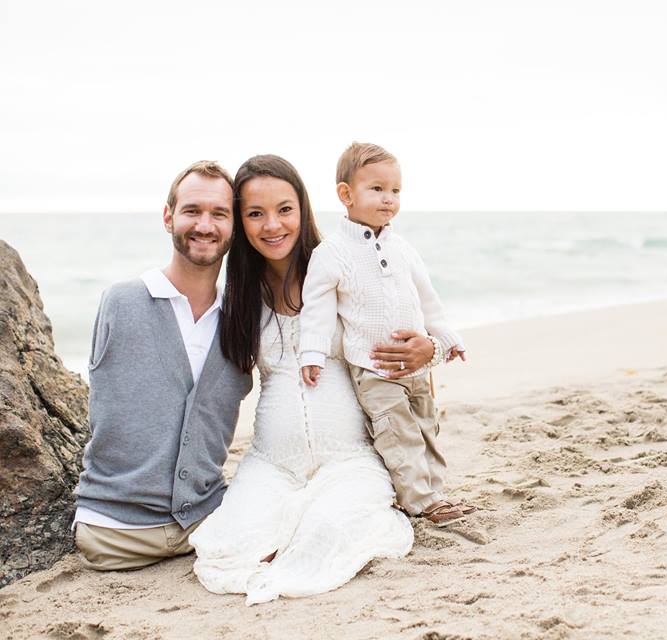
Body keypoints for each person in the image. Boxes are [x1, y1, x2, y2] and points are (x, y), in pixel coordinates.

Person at [189, 154, 435, 605]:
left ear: (303, 208)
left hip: (350, 458)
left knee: (332, 532)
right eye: (255, 214)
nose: (272, 225)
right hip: (272, 463)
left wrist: (431, 348)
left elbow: (414, 330)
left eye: (284, 209)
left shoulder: (345, 270)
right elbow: (208, 385)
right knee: (228, 547)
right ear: (241, 222)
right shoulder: (239, 297)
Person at [73, 161, 253, 570]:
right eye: (192, 211)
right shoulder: (122, 303)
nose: (204, 225)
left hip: (206, 523)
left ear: (234, 227)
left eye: (219, 214)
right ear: (168, 216)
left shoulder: (240, 321)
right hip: (113, 532)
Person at [299, 142, 470, 527]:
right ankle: (420, 501)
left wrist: (448, 337)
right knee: (398, 433)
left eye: (395, 191)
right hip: (373, 367)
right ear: (346, 194)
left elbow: (428, 301)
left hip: (417, 367)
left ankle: (436, 493)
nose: (389, 199)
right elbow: (318, 310)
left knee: (427, 428)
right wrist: (311, 353)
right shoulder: (333, 253)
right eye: (377, 189)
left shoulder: (403, 248)